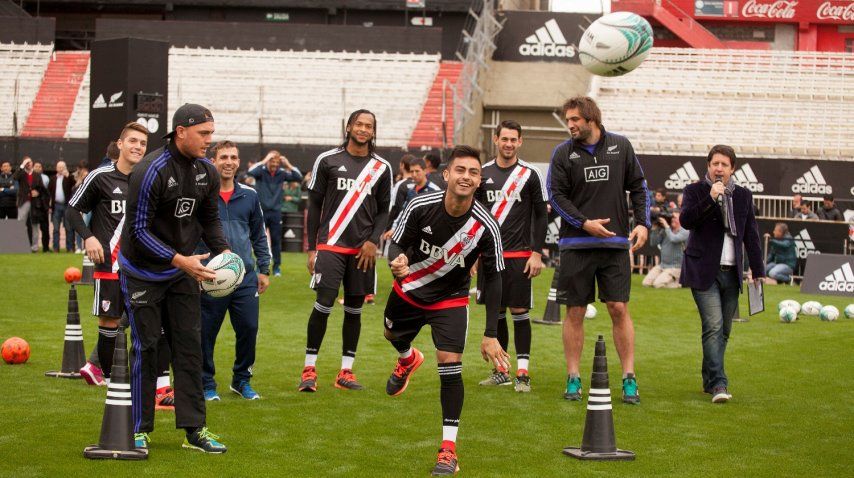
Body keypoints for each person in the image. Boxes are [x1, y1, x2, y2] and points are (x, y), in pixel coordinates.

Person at [383, 145, 508, 475]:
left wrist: (491, 333)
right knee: (390, 333)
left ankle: (448, 450)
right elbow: (397, 242)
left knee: (450, 365)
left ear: (480, 180)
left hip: (451, 299)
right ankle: (408, 358)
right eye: (461, 170)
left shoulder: (487, 226)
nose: (466, 177)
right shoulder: (420, 205)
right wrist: (397, 259)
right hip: (409, 290)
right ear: (447, 174)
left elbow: (494, 280)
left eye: (474, 172)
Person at [119, 103, 230, 453]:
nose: (209, 141)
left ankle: (195, 430)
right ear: (181, 131)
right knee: (147, 347)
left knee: (189, 348)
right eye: (204, 134)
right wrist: (178, 259)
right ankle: (138, 428)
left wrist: (226, 255)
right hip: (142, 272)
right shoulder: (151, 170)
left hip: (183, 269)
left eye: (211, 134)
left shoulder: (207, 172)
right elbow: (136, 231)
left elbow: (210, 219)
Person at [547, 96, 649, 404]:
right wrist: (584, 223)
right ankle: (574, 377)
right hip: (576, 245)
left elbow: (640, 187)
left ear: (592, 118)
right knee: (575, 311)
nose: (571, 125)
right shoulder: (563, 153)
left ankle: (629, 378)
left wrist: (643, 223)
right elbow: (555, 195)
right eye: (568, 120)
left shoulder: (621, 146)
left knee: (618, 308)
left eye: (575, 119)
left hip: (615, 245)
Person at [300, 109, 392, 392]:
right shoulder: (327, 160)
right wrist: (312, 248)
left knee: (354, 310)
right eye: (359, 124)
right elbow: (314, 205)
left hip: (362, 251)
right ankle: (308, 369)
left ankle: (346, 372)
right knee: (324, 304)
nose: (364, 129)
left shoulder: (382, 167)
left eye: (369, 126)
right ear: (349, 127)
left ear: (373, 131)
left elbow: (383, 211)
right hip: (330, 245)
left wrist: (373, 241)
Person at [679, 144, 764, 404]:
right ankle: (719, 383)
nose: (719, 168)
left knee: (724, 330)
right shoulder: (695, 191)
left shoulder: (744, 196)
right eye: (715, 163)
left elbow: (751, 234)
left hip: (732, 271)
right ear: (708, 166)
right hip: (703, 270)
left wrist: (758, 271)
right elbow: (686, 221)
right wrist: (711, 198)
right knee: (713, 326)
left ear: (732, 169)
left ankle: (708, 378)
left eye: (724, 164)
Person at [67, 122, 150, 385]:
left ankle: (142, 380)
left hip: (142, 266)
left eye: (143, 143)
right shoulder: (100, 176)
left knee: (147, 323)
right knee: (110, 322)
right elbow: (72, 211)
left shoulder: (147, 180)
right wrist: (89, 237)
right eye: (133, 141)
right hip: (109, 264)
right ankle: (107, 378)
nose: (138, 146)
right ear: (120, 144)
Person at [474, 120, 547, 392]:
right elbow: (475, 216)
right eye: (504, 139)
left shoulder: (530, 174)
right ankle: (501, 370)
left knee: (519, 312)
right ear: (496, 140)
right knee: (497, 313)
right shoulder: (482, 173)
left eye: (513, 139)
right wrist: (473, 255)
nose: (508, 144)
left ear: (520, 142)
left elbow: (541, 215)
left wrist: (537, 253)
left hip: (519, 256)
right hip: (490, 256)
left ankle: (523, 374)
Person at [200, 140, 271, 401]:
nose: (228, 162)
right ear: (213, 161)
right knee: (206, 333)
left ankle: (241, 380)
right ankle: (206, 383)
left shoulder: (250, 195)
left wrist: (264, 268)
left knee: (249, 328)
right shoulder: (202, 195)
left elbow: (258, 235)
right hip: (210, 276)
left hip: (245, 276)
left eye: (233, 157)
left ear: (239, 162)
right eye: (223, 157)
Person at [246, 150, 302, 277]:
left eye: (277, 161)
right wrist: (265, 159)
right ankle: (260, 267)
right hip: (261, 212)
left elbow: (298, 177)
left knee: (276, 240)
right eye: (272, 161)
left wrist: (287, 164)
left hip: (276, 212)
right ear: (268, 161)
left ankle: (276, 267)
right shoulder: (261, 172)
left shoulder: (282, 174)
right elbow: (250, 171)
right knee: (258, 240)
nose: (275, 164)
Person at [385, 157, 441, 241]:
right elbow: (404, 211)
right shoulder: (411, 190)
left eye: (417, 171)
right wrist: (394, 228)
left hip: (428, 238)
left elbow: (440, 216)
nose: (414, 174)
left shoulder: (435, 190)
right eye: (412, 171)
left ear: (425, 171)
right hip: (411, 236)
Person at [642, 211, 688, 289]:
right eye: (671, 217)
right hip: (662, 265)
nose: (672, 219)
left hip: (676, 267)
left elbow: (674, 239)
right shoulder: (666, 230)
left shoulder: (685, 231)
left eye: (674, 218)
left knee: (658, 285)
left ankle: (680, 283)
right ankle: (671, 279)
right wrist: (654, 228)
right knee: (646, 283)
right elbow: (653, 243)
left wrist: (666, 226)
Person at [49, 161, 75, 252]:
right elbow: (49, 192)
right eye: (59, 167)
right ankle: (56, 248)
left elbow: (75, 184)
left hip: (66, 206)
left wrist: (68, 175)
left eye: (62, 167)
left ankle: (70, 248)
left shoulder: (69, 178)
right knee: (56, 228)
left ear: (65, 168)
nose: (60, 169)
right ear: (56, 168)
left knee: (69, 228)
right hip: (56, 206)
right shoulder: (52, 179)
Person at [27, 162, 51, 252]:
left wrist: (39, 194)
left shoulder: (46, 179)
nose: (37, 168)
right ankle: (34, 247)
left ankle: (46, 248)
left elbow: (47, 193)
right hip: (34, 208)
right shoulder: (29, 178)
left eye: (39, 166)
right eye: (36, 166)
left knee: (45, 229)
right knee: (34, 228)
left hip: (43, 208)